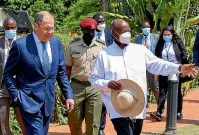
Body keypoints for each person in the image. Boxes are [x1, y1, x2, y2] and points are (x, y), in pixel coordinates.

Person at [88, 19, 197, 135]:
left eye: (128, 31)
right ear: (114, 33)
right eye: (123, 31)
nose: (127, 34)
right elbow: (93, 79)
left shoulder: (139, 50)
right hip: (117, 106)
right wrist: (107, 84)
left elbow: (158, 64)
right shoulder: (104, 55)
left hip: (138, 104)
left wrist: (179, 68)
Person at [3, 11, 74, 135]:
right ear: (36, 26)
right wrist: (16, 95)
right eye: (47, 28)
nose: (50, 32)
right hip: (28, 101)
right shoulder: (21, 45)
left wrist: (68, 95)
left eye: (52, 28)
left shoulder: (56, 44)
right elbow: (8, 74)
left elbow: (61, 73)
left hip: (48, 101)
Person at [65, 18, 105, 135]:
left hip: (94, 88)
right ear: (82, 30)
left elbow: (106, 69)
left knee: (93, 124)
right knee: (74, 122)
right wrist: (65, 91)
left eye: (92, 30)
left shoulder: (101, 47)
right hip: (76, 88)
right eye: (87, 31)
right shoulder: (73, 46)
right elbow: (67, 69)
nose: (91, 33)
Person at [150, 26, 189, 121]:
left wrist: (185, 67)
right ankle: (159, 112)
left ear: (172, 35)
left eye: (168, 35)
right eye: (164, 35)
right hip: (164, 70)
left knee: (177, 91)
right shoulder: (160, 43)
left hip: (176, 70)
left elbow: (184, 54)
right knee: (162, 91)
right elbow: (157, 57)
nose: (166, 36)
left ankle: (178, 112)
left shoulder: (177, 42)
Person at [0, 17, 26, 135]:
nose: (11, 30)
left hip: (20, 86)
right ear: (3, 29)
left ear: (16, 28)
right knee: (2, 121)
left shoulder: (24, 43)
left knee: (23, 118)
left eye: (13, 28)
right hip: (3, 86)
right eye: (8, 28)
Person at [93, 12, 113, 135]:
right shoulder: (90, 34)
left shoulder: (110, 34)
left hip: (108, 71)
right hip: (94, 71)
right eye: (99, 22)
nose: (102, 24)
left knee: (105, 101)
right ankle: (95, 128)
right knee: (95, 101)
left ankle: (101, 128)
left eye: (103, 21)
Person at [134, 21, 159, 104]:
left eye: (147, 27)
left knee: (155, 87)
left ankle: (160, 106)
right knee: (143, 87)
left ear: (150, 28)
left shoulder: (156, 37)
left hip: (154, 66)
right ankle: (144, 105)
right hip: (142, 66)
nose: (146, 29)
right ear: (142, 29)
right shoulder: (137, 39)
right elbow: (135, 53)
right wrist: (144, 46)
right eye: (144, 27)